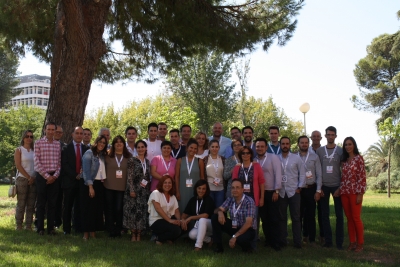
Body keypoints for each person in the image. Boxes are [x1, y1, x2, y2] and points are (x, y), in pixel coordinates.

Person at [316, 126, 344, 249]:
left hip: (337, 186)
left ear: (336, 136)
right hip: (324, 187)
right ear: (325, 136)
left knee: (339, 215)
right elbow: (317, 171)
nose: (331, 137)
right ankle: (328, 241)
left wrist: (341, 187)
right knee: (324, 215)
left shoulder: (341, 151)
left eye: (333, 135)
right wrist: (319, 187)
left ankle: (339, 242)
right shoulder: (320, 151)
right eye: (329, 134)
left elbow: (345, 170)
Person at [232, 146, 265, 249]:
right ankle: (241, 241)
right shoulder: (237, 167)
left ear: (251, 154)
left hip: (253, 198)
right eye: (243, 153)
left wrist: (262, 198)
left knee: (253, 222)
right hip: (240, 199)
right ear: (240, 155)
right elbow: (234, 182)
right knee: (241, 221)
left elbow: (261, 183)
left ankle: (253, 244)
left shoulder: (256, 166)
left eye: (247, 153)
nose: (245, 155)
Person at [212, 179, 256, 253]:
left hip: (247, 229)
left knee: (241, 239)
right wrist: (220, 212)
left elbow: (248, 223)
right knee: (215, 217)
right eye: (233, 187)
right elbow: (216, 210)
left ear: (242, 189)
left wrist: (234, 236)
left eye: (237, 187)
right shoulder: (230, 199)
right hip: (234, 226)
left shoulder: (249, 201)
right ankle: (219, 247)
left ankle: (248, 248)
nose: (235, 190)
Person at [34, 122, 62, 235]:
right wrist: (47, 176)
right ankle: (40, 228)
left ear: (55, 131)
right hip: (42, 177)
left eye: (52, 130)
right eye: (48, 129)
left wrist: (54, 176)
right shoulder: (38, 143)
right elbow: (36, 162)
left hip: (54, 177)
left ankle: (51, 228)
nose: (50, 132)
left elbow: (59, 163)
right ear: (45, 130)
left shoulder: (57, 144)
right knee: (40, 204)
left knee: (52, 204)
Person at [254, 137, 282, 250]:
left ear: (266, 147)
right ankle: (268, 240)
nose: (259, 148)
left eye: (262, 146)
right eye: (257, 146)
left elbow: (278, 174)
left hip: (271, 192)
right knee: (264, 218)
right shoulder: (254, 160)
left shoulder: (273, 158)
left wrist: (277, 190)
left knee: (274, 218)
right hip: (260, 193)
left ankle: (276, 242)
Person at [278, 137, 305, 248]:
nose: (285, 145)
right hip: (281, 192)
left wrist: (300, 187)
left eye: (287, 143)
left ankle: (297, 242)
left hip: (294, 191)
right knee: (282, 217)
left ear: (290, 145)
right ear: (280, 145)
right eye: (283, 144)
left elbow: (302, 174)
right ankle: (283, 240)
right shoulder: (276, 158)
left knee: (296, 217)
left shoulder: (296, 158)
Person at [60, 126, 89, 235]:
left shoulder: (86, 149)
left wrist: (81, 175)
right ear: (72, 134)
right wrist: (75, 175)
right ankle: (66, 229)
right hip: (69, 182)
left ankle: (78, 227)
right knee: (67, 206)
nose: (79, 135)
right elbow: (65, 165)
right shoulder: (66, 148)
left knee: (79, 206)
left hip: (81, 182)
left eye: (81, 133)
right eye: (77, 133)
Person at [340, 137, 366, 252]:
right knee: (349, 218)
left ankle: (360, 243)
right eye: (346, 145)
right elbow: (343, 177)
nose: (348, 146)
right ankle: (352, 242)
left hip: (355, 192)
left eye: (350, 144)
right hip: (344, 192)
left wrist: (360, 193)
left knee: (356, 218)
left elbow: (362, 177)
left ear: (354, 145)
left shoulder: (359, 159)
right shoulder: (344, 161)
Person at [81, 135, 108, 240]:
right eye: (100, 142)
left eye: (104, 143)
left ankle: (93, 232)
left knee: (95, 210)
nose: (102, 144)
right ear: (96, 142)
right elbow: (86, 171)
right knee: (87, 209)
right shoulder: (89, 153)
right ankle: (85, 234)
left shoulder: (101, 155)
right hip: (89, 184)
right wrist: (90, 187)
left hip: (100, 184)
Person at [123, 140, 151, 241]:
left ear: (146, 148)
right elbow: (129, 176)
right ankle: (133, 234)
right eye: (138, 147)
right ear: (136, 149)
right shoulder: (132, 160)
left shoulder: (147, 162)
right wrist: (131, 190)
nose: (140, 149)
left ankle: (139, 234)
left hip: (143, 191)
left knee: (141, 212)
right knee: (133, 212)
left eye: (142, 147)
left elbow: (147, 177)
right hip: (133, 191)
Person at [104, 135, 131, 237]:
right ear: (113, 144)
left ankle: (119, 229)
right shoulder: (107, 155)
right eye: (116, 142)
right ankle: (110, 229)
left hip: (122, 187)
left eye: (121, 142)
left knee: (119, 209)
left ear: (124, 144)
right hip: (108, 186)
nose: (119, 144)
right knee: (109, 208)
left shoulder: (129, 157)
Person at [297, 135, 322, 244]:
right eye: (302, 142)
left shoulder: (314, 157)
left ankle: (311, 238)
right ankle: (301, 236)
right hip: (299, 190)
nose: (304, 144)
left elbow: (319, 174)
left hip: (311, 188)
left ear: (308, 144)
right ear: (298, 144)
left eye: (306, 142)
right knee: (299, 214)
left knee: (311, 215)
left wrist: (318, 191)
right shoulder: (293, 157)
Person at [181, 180, 215, 251]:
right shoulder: (193, 200)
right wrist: (183, 220)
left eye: (203, 189)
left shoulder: (209, 199)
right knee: (191, 235)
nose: (201, 191)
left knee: (202, 220)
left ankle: (198, 246)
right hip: (199, 226)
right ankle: (210, 240)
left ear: (206, 190)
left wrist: (191, 218)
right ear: (196, 189)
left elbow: (206, 215)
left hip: (211, 226)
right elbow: (184, 214)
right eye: (199, 188)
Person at [148, 175, 181, 245]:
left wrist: (179, 221)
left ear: (172, 184)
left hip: (167, 220)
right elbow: (158, 209)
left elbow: (176, 210)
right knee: (176, 230)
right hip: (156, 221)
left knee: (184, 226)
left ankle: (168, 238)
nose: (167, 185)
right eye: (165, 183)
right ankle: (158, 238)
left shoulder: (172, 196)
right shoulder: (155, 193)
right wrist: (170, 220)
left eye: (169, 183)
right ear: (161, 184)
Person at [14, 130, 37, 231]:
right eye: (27, 136)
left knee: (31, 204)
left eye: (31, 137)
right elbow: (18, 165)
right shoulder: (19, 150)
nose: (29, 138)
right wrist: (28, 177)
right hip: (22, 179)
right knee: (21, 203)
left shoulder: (35, 150)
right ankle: (19, 224)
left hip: (34, 179)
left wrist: (33, 177)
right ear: (23, 138)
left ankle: (28, 225)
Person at [175, 139, 205, 213]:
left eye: (195, 148)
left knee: (194, 210)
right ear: (187, 148)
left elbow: (202, 177)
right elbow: (177, 177)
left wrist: (202, 191)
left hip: (195, 191)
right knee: (182, 209)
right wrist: (177, 191)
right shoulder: (180, 160)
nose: (193, 150)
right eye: (191, 147)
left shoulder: (199, 161)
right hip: (182, 190)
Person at [309, 130, 324, 244]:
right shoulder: (306, 151)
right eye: (314, 136)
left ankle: (322, 234)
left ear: (321, 138)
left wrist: (320, 188)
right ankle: (307, 234)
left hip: (322, 185)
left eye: (318, 136)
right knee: (309, 212)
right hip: (310, 186)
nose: (316, 138)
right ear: (311, 137)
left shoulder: (324, 151)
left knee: (322, 212)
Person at [204, 140, 225, 208]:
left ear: (219, 148)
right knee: (209, 209)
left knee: (219, 209)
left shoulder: (223, 159)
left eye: (216, 147)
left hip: (220, 188)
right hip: (209, 188)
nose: (214, 149)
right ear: (209, 147)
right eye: (212, 147)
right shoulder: (205, 159)